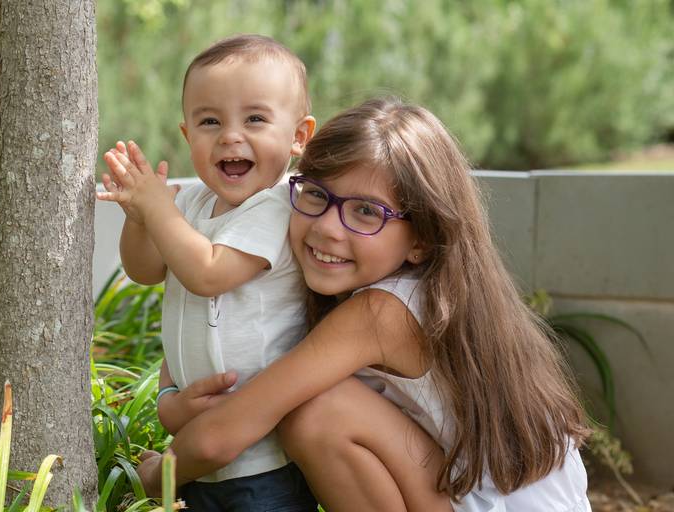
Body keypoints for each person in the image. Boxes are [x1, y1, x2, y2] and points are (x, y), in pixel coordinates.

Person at [138, 97, 593, 511]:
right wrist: (169, 397)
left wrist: (153, 477)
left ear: (421, 240)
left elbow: (223, 435)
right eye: (316, 194)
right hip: (480, 493)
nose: (329, 229)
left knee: (318, 416)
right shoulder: (424, 290)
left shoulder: (384, 312)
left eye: (366, 212)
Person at [97, 34, 318, 511]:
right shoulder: (195, 200)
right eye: (210, 121)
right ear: (187, 135)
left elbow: (209, 273)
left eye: (255, 119)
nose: (230, 136)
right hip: (201, 438)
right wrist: (141, 221)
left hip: (264, 456)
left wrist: (159, 211)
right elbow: (146, 270)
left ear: (299, 136)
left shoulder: (278, 207)